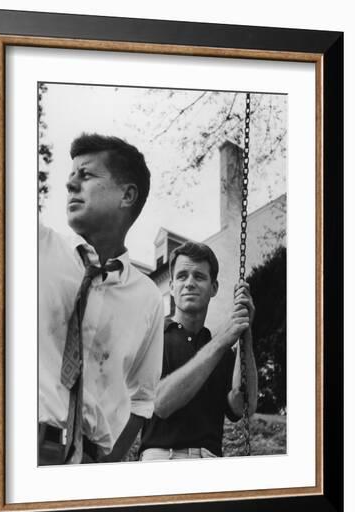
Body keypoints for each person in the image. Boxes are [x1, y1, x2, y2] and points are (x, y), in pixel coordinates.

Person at [39, 133, 164, 465]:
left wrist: (107, 467)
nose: (71, 185)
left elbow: (142, 400)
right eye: (70, 177)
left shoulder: (148, 297)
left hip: (93, 465)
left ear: (127, 195)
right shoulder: (33, 248)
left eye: (86, 175)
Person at [139, 241, 258, 461]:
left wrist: (245, 332)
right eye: (182, 276)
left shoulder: (221, 350)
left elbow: (243, 407)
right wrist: (222, 340)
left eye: (199, 277)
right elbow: (161, 403)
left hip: (209, 462)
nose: (190, 283)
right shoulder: (153, 337)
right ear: (172, 287)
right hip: (162, 460)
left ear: (214, 288)